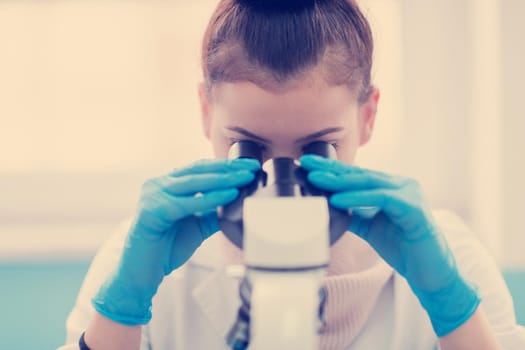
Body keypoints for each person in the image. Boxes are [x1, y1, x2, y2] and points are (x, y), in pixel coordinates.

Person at [59, 0, 525, 349]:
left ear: (367, 116)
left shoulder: (450, 255)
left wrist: (450, 305)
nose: (281, 182)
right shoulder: (143, 255)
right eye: (249, 148)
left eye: (318, 149)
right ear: (206, 111)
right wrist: (122, 308)